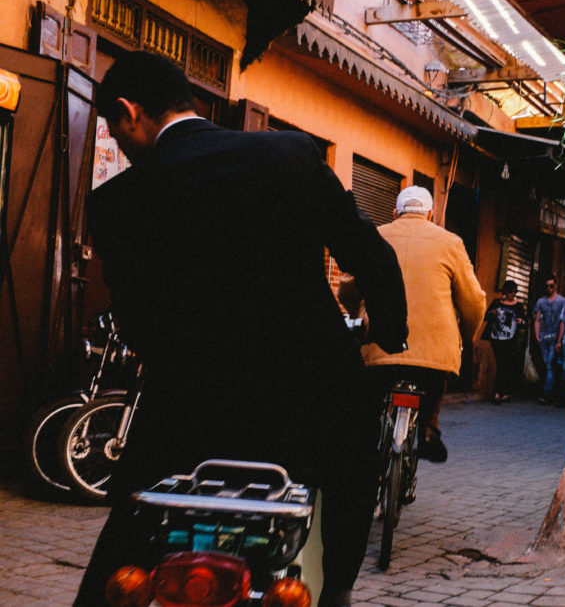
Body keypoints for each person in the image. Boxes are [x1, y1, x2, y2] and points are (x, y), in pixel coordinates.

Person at [74, 51, 408, 607]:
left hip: (187, 414)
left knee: (128, 537)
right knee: (356, 460)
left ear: (129, 113)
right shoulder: (290, 155)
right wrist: (388, 331)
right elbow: (371, 257)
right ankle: (340, 591)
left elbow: (136, 322)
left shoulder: (115, 201)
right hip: (309, 403)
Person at [359, 186, 486, 463]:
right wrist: (465, 336)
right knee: (432, 390)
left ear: (395, 213)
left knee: (369, 402)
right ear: (430, 215)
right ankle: (428, 429)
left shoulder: (375, 234)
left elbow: (348, 284)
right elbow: (474, 301)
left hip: (379, 344)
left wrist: (358, 316)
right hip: (434, 351)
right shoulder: (450, 242)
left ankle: (365, 440)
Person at [483, 279, 527, 404]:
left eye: (515, 291)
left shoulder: (518, 305)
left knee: (506, 364)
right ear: (505, 291)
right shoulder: (497, 303)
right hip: (496, 337)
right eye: (510, 291)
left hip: (511, 338)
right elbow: (485, 316)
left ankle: (502, 393)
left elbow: (524, 321)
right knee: (501, 364)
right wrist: (492, 313)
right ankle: (500, 393)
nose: (513, 293)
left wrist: (521, 321)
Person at [533, 274, 565, 405]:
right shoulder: (541, 302)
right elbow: (537, 319)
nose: (549, 288)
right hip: (544, 337)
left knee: (549, 366)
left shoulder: (562, 301)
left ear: (556, 286)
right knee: (548, 365)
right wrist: (537, 335)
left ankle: (548, 394)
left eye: (551, 286)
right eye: (547, 286)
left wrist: (560, 338)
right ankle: (551, 392)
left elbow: (564, 320)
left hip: (555, 337)